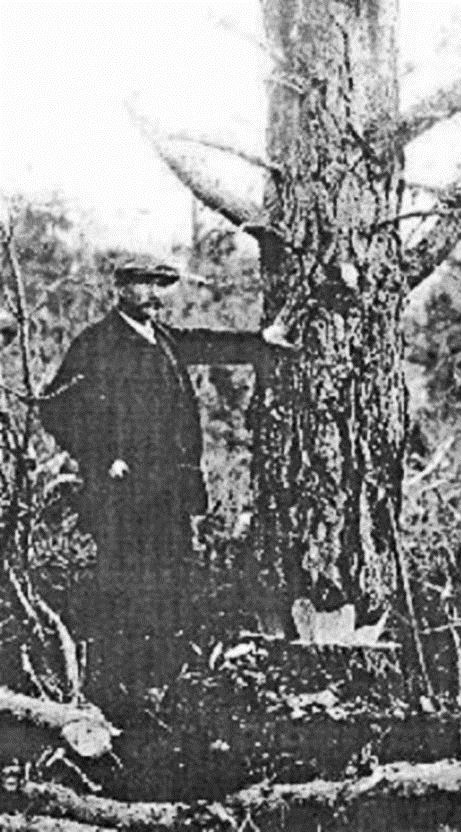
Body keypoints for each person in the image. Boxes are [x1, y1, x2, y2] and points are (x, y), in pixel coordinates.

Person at [39, 260, 288, 697]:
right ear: (120, 288)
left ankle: (163, 687)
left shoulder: (166, 339)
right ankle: (118, 689)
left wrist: (260, 342)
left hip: (170, 493)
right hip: (124, 495)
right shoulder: (98, 342)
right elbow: (53, 406)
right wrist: (101, 456)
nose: (154, 295)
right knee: (126, 585)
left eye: (160, 286)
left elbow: (208, 344)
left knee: (171, 583)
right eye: (143, 285)